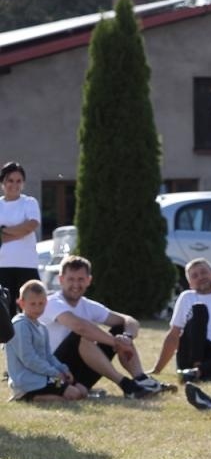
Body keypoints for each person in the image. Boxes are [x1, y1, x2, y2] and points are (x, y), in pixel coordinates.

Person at [40, 255, 164, 398]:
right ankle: (126, 385)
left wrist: (127, 337)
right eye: (71, 279)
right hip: (55, 368)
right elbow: (80, 327)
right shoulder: (52, 302)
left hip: (78, 369)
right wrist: (116, 342)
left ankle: (142, 380)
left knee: (121, 328)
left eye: (80, 279)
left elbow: (129, 320)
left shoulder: (87, 305)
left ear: (89, 280)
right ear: (61, 280)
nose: (76, 284)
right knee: (83, 334)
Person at [8, 280, 88, 402]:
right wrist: (54, 373)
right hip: (28, 381)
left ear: (46, 303)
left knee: (81, 390)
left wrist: (63, 370)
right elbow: (29, 359)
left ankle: (50, 393)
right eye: (33, 304)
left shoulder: (42, 327)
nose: (37, 308)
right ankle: (26, 396)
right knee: (72, 395)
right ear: (21, 303)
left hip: (44, 376)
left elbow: (48, 356)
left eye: (41, 303)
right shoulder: (20, 325)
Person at [0, 162, 42, 319]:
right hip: (3, 266)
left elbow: (31, 226)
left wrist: (3, 230)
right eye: (10, 180)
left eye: (18, 181)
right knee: (5, 313)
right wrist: (20, 231)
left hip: (27, 265)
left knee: (32, 310)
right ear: (3, 182)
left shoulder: (29, 202)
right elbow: (24, 229)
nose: (14, 185)